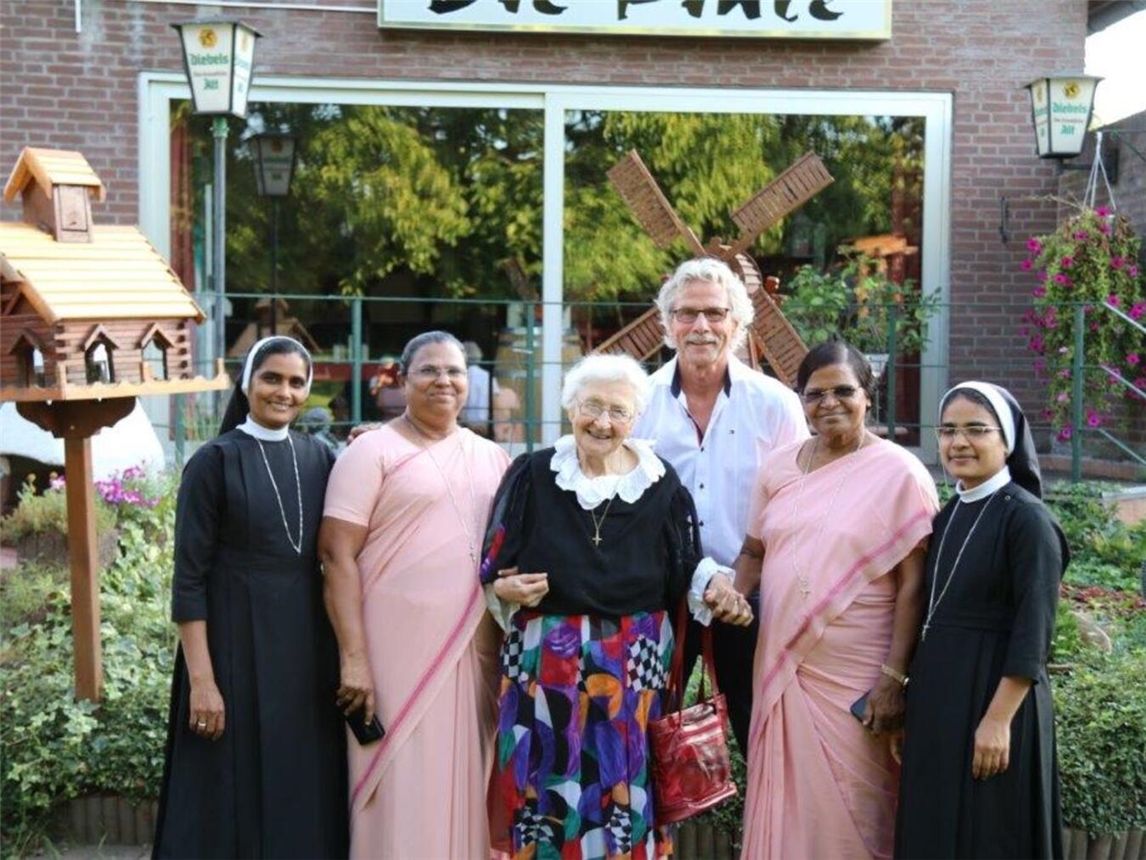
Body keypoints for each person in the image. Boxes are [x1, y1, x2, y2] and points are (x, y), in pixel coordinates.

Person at [482, 353, 752, 860]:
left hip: (633, 658)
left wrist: (716, 583)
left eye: (618, 411)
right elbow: (494, 564)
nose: (603, 422)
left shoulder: (659, 481)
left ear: (635, 419)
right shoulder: (534, 474)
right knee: (545, 780)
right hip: (545, 659)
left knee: (625, 782)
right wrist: (505, 589)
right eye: (592, 406)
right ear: (570, 408)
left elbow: (685, 564)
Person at [733, 340, 940, 860]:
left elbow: (914, 586)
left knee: (858, 809)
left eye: (843, 391)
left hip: (858, 675)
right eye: (814, 394)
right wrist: (732, 595)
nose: (829, 404)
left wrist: (894, 680)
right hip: (781, 666)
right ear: (800, 401)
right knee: (786, 806)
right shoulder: (779, 467)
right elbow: (752, 552)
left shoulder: (900, 474)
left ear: (868, 396)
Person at [318, 330, 512, 860]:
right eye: (428, 370)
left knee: (473, 774)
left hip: (475, 651)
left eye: (454, 371)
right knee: (400, 778)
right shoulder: (372, 452)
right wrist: (354, 660)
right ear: (403, 380)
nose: (443, 381)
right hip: (391, 655)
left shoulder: (493, 456)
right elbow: (336, 558)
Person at [153, 336, 348, 859]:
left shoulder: (322, 458)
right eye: (271, 378)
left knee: (298, 783)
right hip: (230, 650)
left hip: (305, 652)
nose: (283, 392)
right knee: (225, 792)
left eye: (295, 382)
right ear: (248, 383)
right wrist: (202, 683)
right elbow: (188, 580)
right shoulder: (213, 462)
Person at [632, 256, 808, 751]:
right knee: (646, 730)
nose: (701, 326)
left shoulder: (775, 404)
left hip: (750, 597)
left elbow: (794, 507)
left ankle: (767, 830)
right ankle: (654, 831)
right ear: (667, 324)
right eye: (687, 313)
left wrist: (741, 585)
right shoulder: (639, 404)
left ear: (737, 322)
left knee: (765, 737)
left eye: (715, 312)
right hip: (661, 597)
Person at [895, 382, 1069, 859]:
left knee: (992, 833)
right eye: (948, 430)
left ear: (1007, 440)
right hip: (940, 702)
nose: (959, 442)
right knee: (936, 829)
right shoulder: (948, 515)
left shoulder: (1027, 521)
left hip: (996, 701)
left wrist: (996, 722)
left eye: (976, 429)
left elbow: (1035, 632)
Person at [461, 340, 499, 437]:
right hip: (486, 426)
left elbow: (458, 405)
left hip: (464, 427)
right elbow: (495, 404)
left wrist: (468, 425)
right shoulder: (488, 376)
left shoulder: (460, 377)